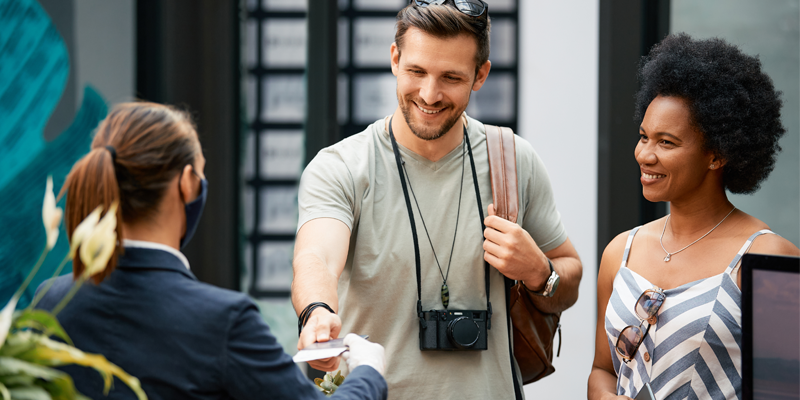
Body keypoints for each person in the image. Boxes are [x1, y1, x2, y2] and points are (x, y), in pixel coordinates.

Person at [292, 1, 582, 398]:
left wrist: (538, 271)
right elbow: (317, 257)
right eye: (416, 71)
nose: (429, 94)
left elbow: (570, 276)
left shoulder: (512, 160)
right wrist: (317, 311)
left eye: (450, 77)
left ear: (480, 75)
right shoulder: (343, 166)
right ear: (395, 59)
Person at [35, 102, 388, 400]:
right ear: (187, 183)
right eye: (202, 174)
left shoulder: (51, 301)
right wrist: (368, 372)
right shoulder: (224, 321)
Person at [588, 33, 800, 400]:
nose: (645, 155)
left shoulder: (766, 257)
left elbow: (784, 393)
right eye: (643, 137)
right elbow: (603, 370)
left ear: (717, 155)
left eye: (666, 142)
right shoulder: (620, 253)